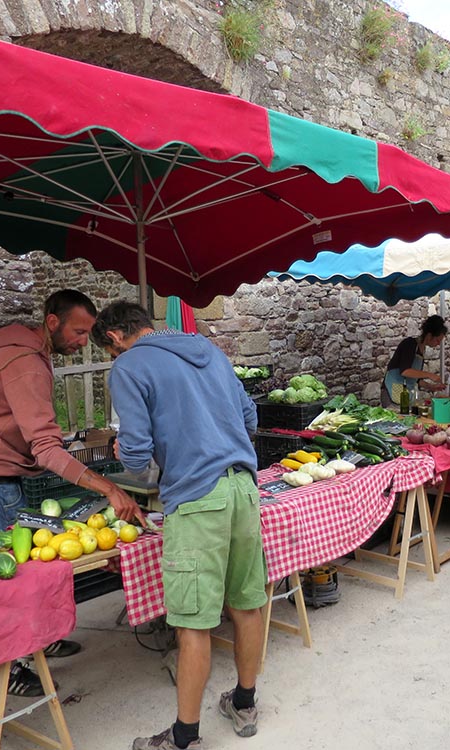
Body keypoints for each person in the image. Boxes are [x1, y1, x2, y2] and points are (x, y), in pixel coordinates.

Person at [91, 301, 267, 750]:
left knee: (194, 624)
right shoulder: (207, 348)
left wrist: (121, 451)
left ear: (114, 337)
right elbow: (250, 417)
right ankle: (244, 702)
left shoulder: (129, 366)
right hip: (245, 489)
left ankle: (183, 738)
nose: (115, 359)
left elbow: (135, 451)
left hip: (197, 498)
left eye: (111, 351)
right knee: (247, 604)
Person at [0, 289, 143, 697]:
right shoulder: (26, 362)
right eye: (79, 331)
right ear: (52, 321)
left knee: (31, 570)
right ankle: (10, 669)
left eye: (89, 333)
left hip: (0, 466)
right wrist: (108, 488)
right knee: (12, 575)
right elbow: (44, 448)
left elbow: (32, 429)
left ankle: (39, 640)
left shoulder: (27, 350)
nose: (83, 342)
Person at [381, 314, 447, 407]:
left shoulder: (422, 350)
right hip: (392, 392)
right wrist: (429, 375)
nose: (438, 344)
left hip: (405, 394)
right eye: (437, 340)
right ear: (429, 335)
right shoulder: (409, 344)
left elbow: (416, 380)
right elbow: (405, 371)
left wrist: (431, 387)